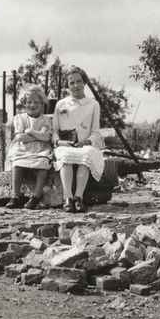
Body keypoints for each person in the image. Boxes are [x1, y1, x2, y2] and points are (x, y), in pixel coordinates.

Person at [52, 66, 105, 213]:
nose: (75, 86)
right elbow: (54, 131)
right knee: (65, 155)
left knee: (86, 154)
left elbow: (96, 132)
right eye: (71, 83)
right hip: (65, 144)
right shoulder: (60, 104)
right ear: (67, 86)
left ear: (85, 82)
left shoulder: (93, 104)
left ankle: (78, 197)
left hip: (85, 144)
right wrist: (60, 142)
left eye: (79, 81)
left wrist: (86, 142)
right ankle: (67, 198)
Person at [6, 84, 53, 209]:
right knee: (17, 163)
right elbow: (20, 137)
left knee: (43, 163)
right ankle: (15, 196)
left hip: (40, 150)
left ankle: (36, 196)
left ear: (41, 103)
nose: (32, 105)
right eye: (29, 102)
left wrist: (30, 131)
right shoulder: (20, 118)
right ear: (24, 103)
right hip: (23, 149)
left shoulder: (46, 120)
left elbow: (46, 137)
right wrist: (38, 135)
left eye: (36, 102)